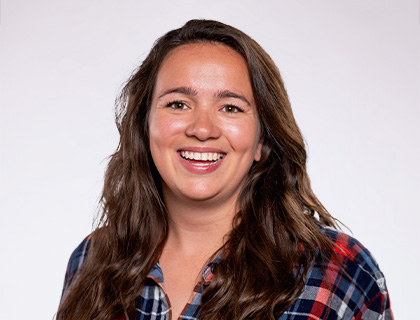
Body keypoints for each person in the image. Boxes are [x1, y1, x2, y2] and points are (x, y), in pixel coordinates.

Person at [56, 19, 392, 320]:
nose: (202, 129)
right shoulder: (90, 260)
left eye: (230, 107)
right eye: (178, 104)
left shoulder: (338, 272)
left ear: (263, 139)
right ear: (145, 128)